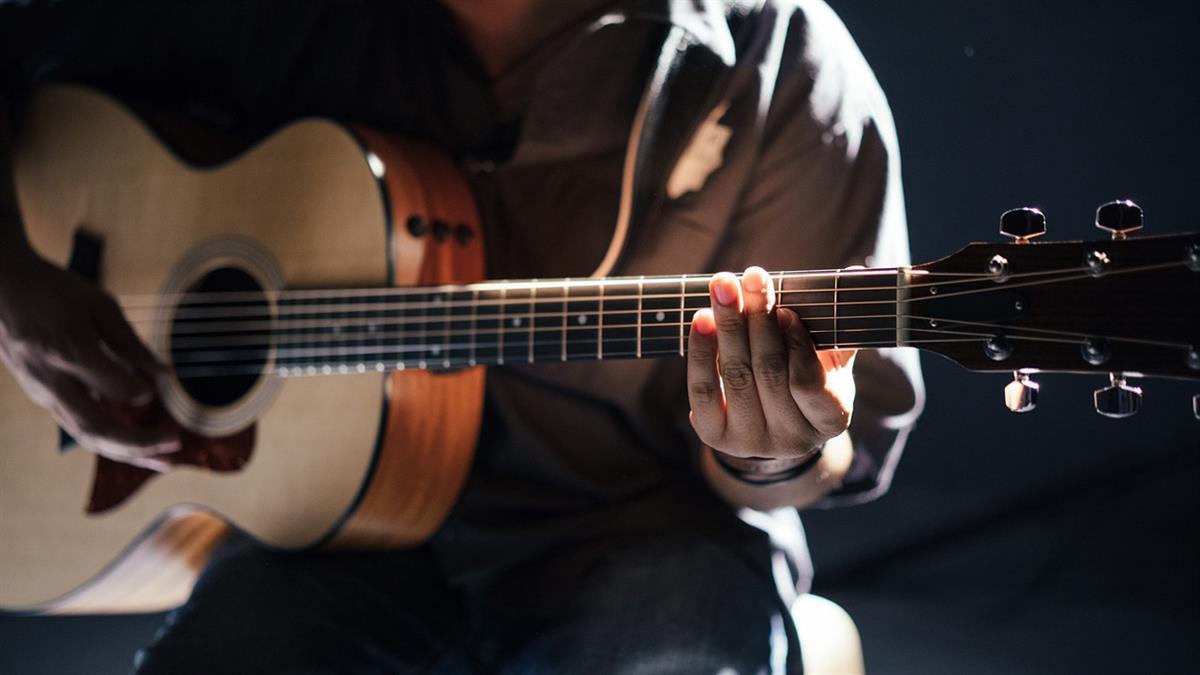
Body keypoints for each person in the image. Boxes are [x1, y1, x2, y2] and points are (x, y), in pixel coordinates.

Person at [0, 0, 923, 672]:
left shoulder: (785, 64)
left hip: (645, 534)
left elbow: (837, 446)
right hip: (326, 542)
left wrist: (769, 450)